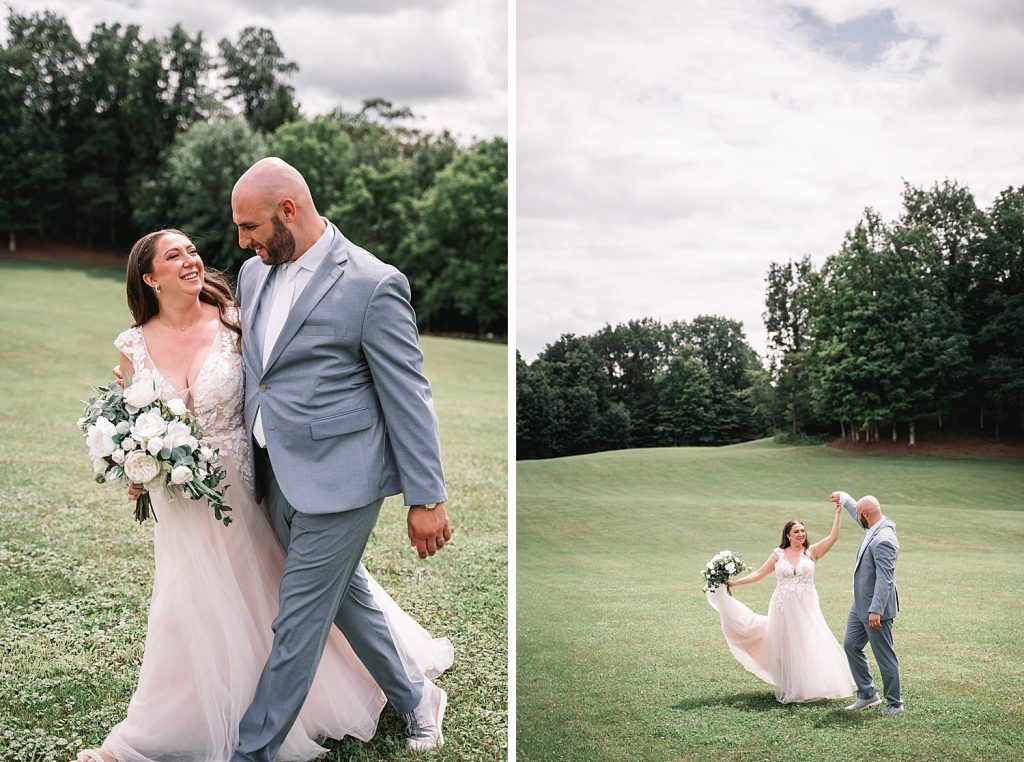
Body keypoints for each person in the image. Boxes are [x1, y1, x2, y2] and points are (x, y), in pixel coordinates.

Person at [74, 228, 452, 762]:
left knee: (293, 602)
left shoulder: (234, 318)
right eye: (174, 256)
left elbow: (293, 374)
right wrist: (134, 458)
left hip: (257, 483)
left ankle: (261, 743)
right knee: (195, 609)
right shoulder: (134, 343)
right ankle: (178, 719)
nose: (192, 259)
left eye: (192, 250)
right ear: (149, 278)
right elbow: (130, 413)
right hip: (181, 504)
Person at [229, 157, 452, 762]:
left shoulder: (372, 283)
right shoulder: (254, 274)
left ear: (288, 211)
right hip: (273, 473)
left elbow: (408, 395)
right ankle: (415, 698)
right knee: (346, 600)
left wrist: (426, 497)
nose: (242, 241)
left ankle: (252, 753)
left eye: (250, 227)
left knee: (298, 622)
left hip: (344, 481)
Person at [706, 503, 855, 703]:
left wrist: (838, 513)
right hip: (782, 606)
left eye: (803, 530)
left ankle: (812, 685)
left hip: (806, 606)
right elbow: (759, 573)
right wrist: (734, 582)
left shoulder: (812, 552)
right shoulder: (779, 554)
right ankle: (793, 686)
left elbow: (833, 537)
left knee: (808, 641)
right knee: (786, 646)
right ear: (788, 535)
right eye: (796, 531)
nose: (801, 534)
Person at [830, 491, 903, 715]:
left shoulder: (884, 540)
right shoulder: (873, 525)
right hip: (860, 605)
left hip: (875, 610)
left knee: (884, 656)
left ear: (866, 514)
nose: (858, 518)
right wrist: (843, 497)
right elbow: (857, 511)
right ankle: (867, 694)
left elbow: (885, 579)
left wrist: (876, 610)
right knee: (851, 645)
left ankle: (895, 703)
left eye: (860, 514)